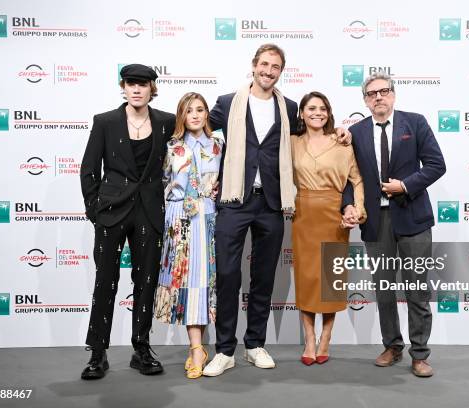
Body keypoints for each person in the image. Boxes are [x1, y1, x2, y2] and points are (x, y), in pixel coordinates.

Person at [202, 44, 352, 377]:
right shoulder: (228, 103)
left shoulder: (289, 107)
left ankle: (255, 344)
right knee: (227, 276)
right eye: (265, 64)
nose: (269, 71)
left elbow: (314, 134)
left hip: (271, 203)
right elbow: (197, 131)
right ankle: (224, 350)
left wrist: (340, 130)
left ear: (281, 72)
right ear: (254, 66)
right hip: (233, 201)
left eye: (276, 67)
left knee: (263, 277)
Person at [79, 64, 175, 380]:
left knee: (146, 281)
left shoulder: (166, 122)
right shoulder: (105, 122)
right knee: (105, 281)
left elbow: (202, 129)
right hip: (112, 211)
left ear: (152, 88)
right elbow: (89, 169)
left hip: (149, 211)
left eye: (142, 84)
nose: (136, 89)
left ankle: (141, 349)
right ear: (123, 87)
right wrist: (95, 211)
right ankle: (97, 352)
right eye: (130, 84)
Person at [348, 72, 446, 377]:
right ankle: (392, 345)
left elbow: (436, 165)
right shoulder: (356, 132)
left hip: (413, 217)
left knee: (416, 288)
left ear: (393, 94)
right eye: (372, 93)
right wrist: (348, 204)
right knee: (384, 288)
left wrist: (405, 186)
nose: (378, 97)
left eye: (384, 91)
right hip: (376, 222)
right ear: (365, 100)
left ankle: (420, 354)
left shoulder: (415, 122)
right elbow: (350, 178)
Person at [291, 92, 365, 366]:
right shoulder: (292, 143)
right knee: (308, 280)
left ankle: (326, 338)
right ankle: (309, 340)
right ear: (301, 113)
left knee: (330, 281)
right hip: (303, 214)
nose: (317, 113)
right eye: (311, 108)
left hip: (334, 215)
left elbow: (356, 180)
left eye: (323, 108)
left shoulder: (342, 141)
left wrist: (356, 209)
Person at [154, 92, 223, 379]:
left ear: (207, 114)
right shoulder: (171, 146)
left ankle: (198, 348)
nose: (195, 115)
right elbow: (159, 182)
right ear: (181, 115)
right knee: (183, 280)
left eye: (200, 109)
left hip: (207, 217)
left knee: (204, 282)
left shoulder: (219, 144)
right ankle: (196, 348)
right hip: (178, 218)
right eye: (188, 110)